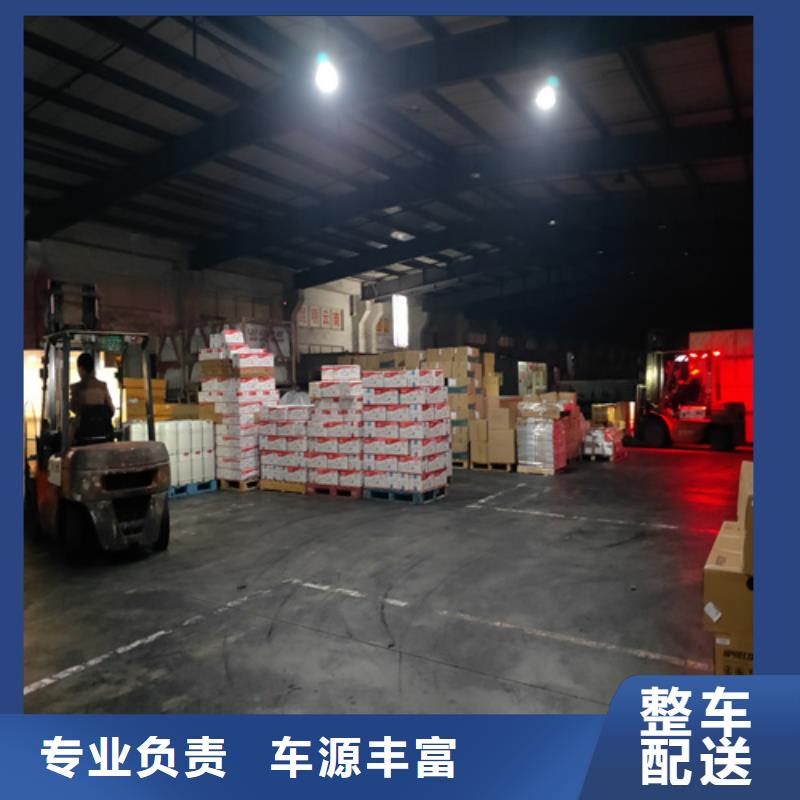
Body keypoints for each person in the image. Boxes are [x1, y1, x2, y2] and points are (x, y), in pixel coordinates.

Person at [70, 353, 114, 439]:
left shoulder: (76, 388)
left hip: (83, 434)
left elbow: (74, 408)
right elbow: (111, 410)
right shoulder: (102, 386)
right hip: (103, 433)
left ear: (81, 369)